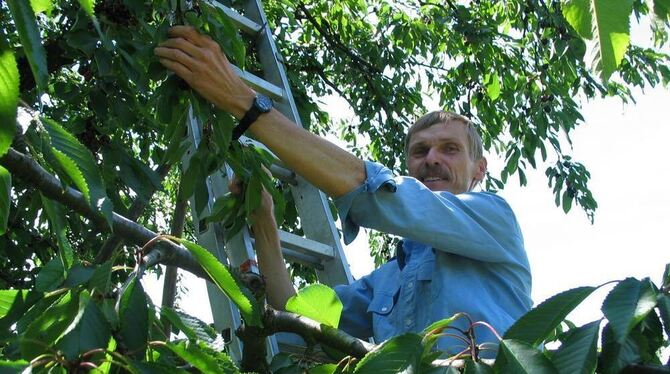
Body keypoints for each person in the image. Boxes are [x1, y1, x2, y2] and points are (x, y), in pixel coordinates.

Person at [154, 26, 532, 357]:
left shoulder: (495, 219)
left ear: (480, 170)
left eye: (450, 149)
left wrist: (242, 100)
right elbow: (297, 315)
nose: (432, 159)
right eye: (420, 151)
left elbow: (370, 191)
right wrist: (264, 223)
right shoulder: (387, 281)